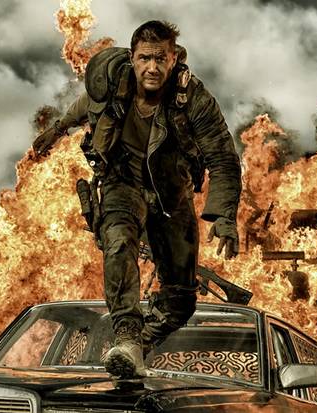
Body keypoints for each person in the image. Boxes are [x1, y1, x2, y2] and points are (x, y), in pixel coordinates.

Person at [32, 20, 241, 379]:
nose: (153, 68)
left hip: (170, 194)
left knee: (181, 300)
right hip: (121, 180)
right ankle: (126, 334)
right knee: (118, 242)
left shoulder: (194, 99)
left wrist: (224, 216)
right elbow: (87, 104)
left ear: (174, 59)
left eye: (161, 58)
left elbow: (222, 156)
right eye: (145, 58)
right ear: (133, 58)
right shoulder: (113, 81)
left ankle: (134, 350)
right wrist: (56, 128)